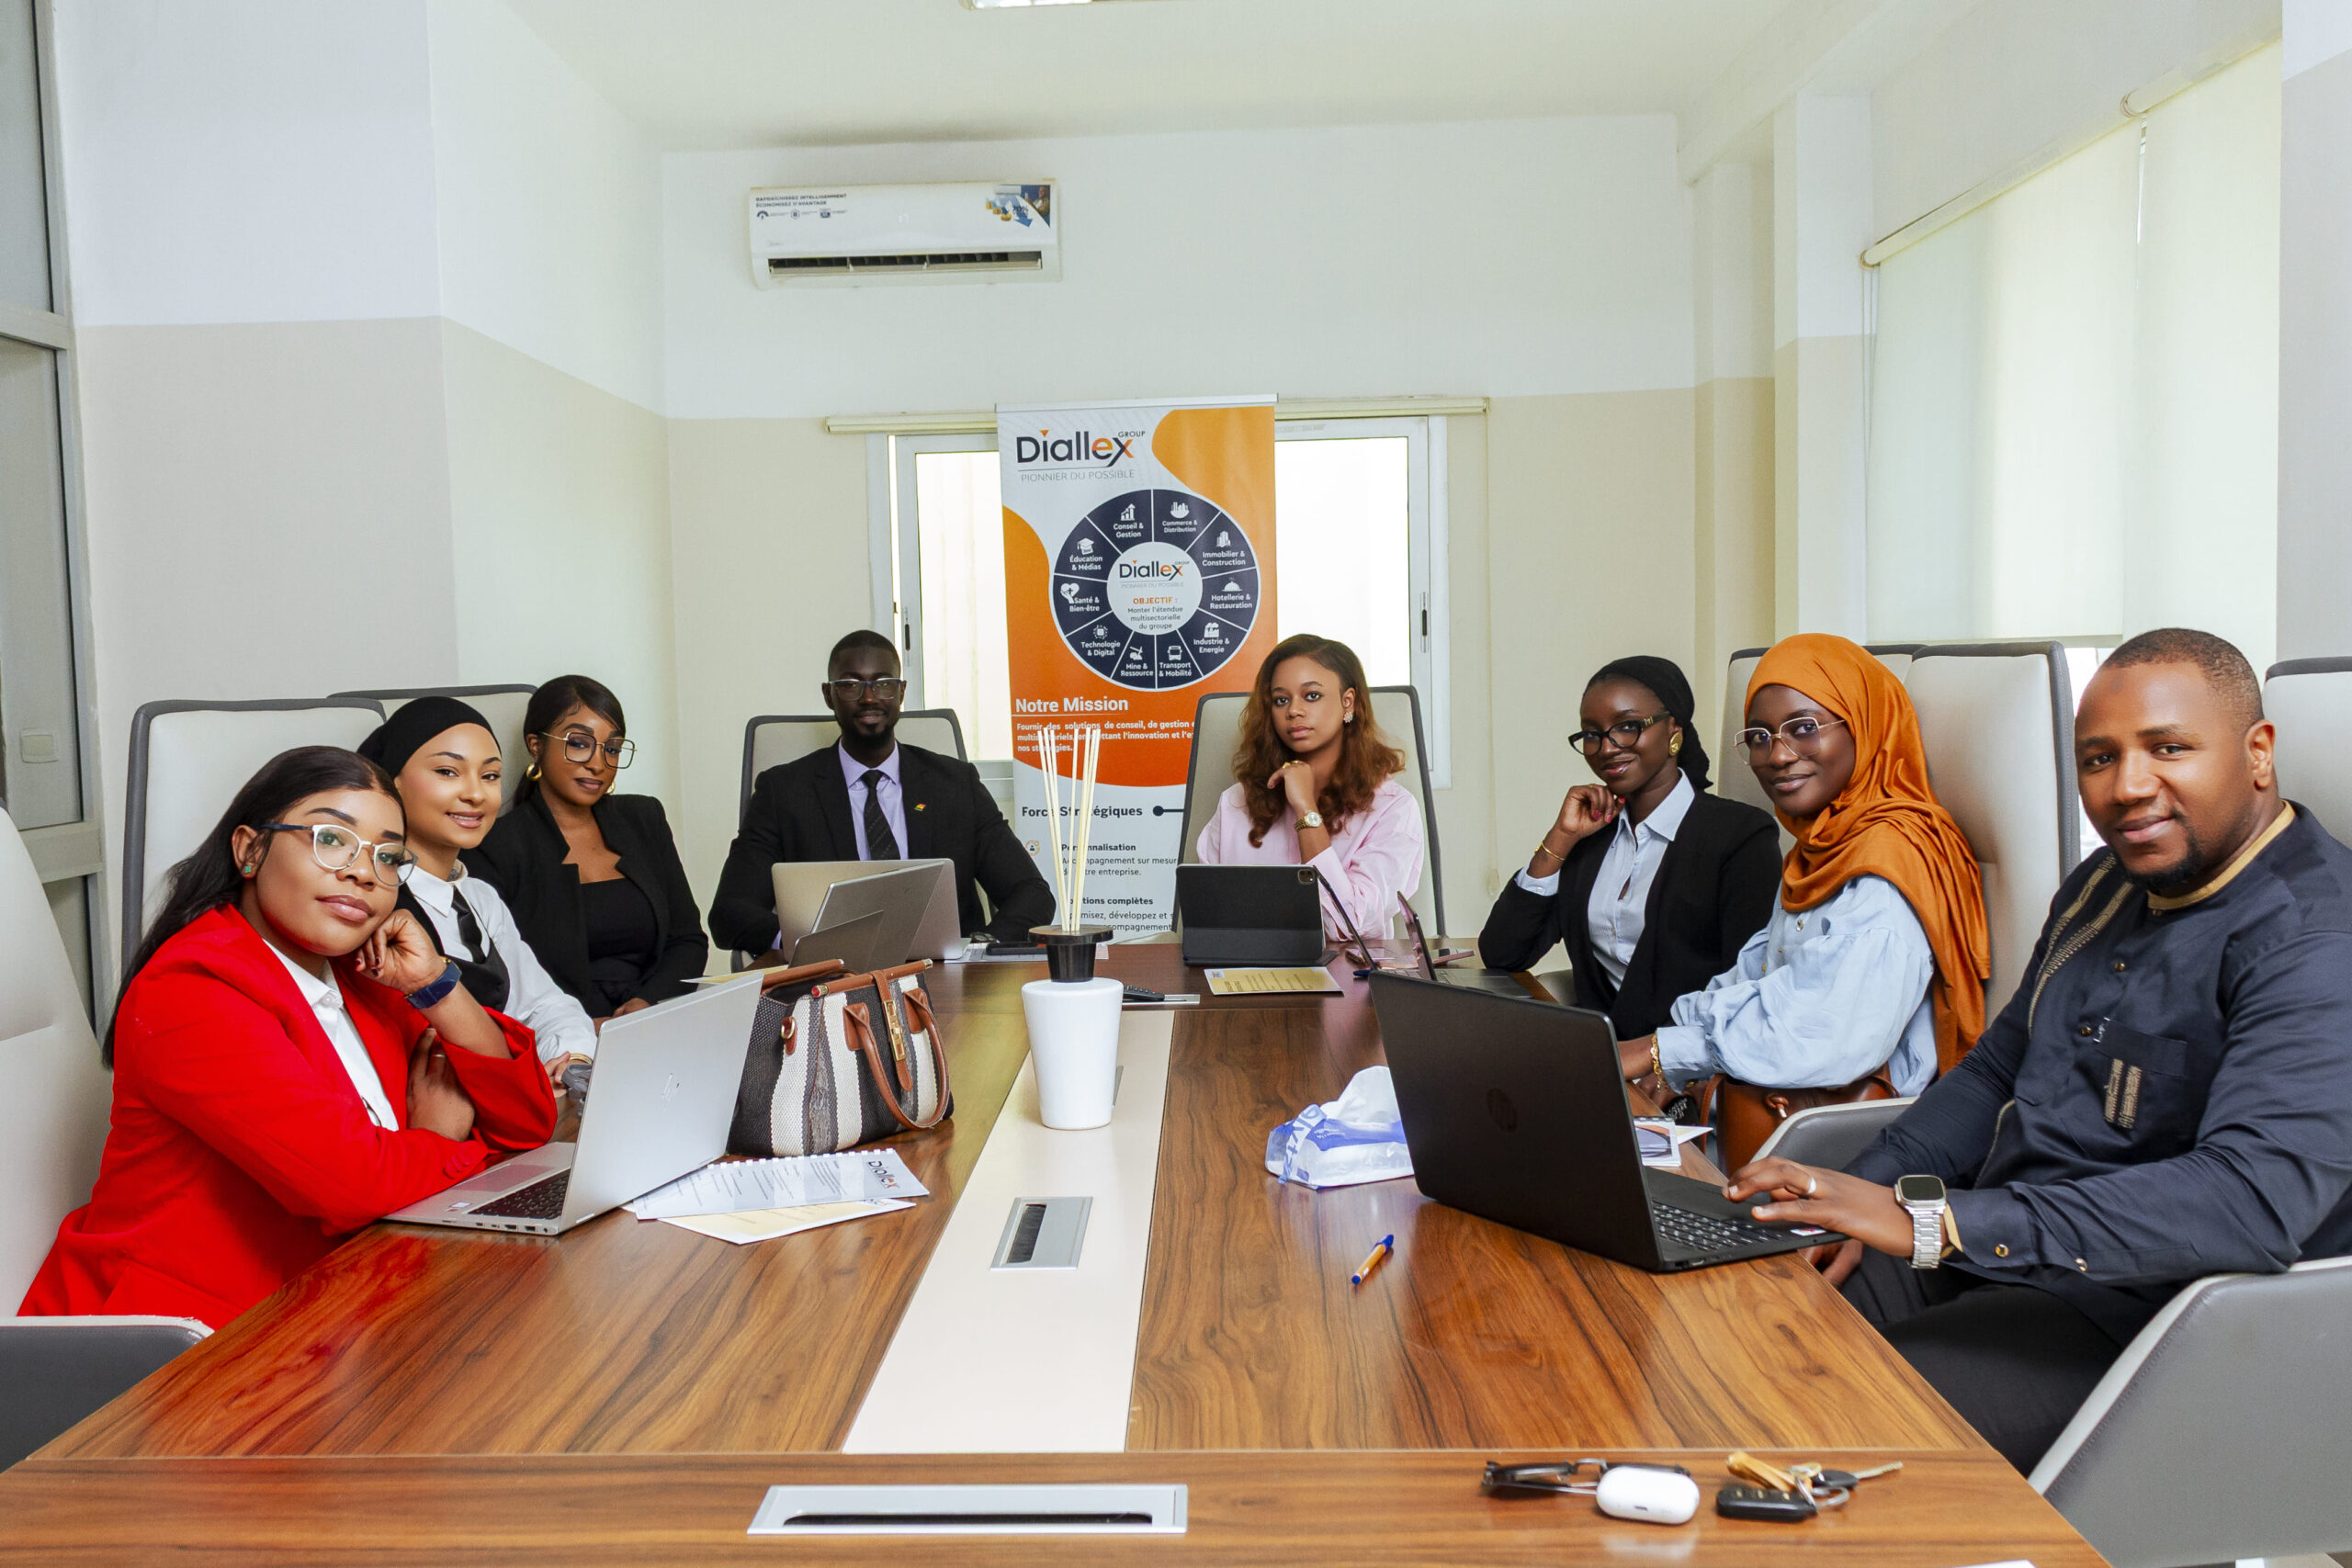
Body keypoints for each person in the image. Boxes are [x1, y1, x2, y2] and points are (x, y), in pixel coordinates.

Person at [1725, 627, 2352, 1472]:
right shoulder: (2106, 884)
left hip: (2150, 1313)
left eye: (2169, 748)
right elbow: (1995, 1070)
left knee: (1829, 1415)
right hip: (2004, 1244)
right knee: (1749, 1323)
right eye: (2099, 758)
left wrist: (1937, 1222)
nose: (2128, 786)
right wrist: (1863, 1192)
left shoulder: (2314, 939)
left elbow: (2248, 1201)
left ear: (2259, 752)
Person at [20, 747, 555, 1329]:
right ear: (250, 850)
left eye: (386, 856)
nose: (362, 872)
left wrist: (436, 985)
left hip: (337, 1301)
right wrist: (437, 1140)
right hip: (182, 1334)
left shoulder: (361, 974)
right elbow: (353, 1185)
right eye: (332, 840)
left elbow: (524, 1125)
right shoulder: (192, 987)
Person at [1615, 634, 1990, 1110]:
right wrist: (1668, 1052)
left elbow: (1820, 1030)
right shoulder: (1823, 847)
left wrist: (1661, 1051)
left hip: (1845, 1133)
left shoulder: (1889, 859)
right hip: (1769, 1104)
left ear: (1863, 726)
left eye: (1805, 728)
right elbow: (1758, 974)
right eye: (1759, 737)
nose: (1777, 756)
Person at [1478, 655, 1779, 1040]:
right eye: (1592, 734)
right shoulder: (1591, 838)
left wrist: (1654, 1059)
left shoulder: (1740, 835)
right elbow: (1504, 953)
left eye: (1627, 727)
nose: (1607, 748)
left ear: (1673, 730)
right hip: (1598, 1056)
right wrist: (1561, 837)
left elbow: (1746, 989)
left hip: (1690, 1063)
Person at [708, 630, 1054, 953]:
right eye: (850, 685)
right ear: (828, 695)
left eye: (883, 684)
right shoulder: (784, 793)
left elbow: (1032, 893)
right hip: (832, 975)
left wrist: (981, 948)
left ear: (901, 693)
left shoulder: (955, 785)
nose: (869, 698)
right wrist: (806, 945)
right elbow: (729, 912)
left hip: (948, 974)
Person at [356, 697, 595, 1088]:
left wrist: (572, 1060)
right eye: (447, 771)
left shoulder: (479, 897)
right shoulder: (369, 899)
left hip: (505, 1094)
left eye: (490, 775)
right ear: (390, 782)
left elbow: (543, 1004)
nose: (476, 794)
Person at [464, 676, 708, 1019]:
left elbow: (688, 941)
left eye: (612, 749)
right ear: (535, 745)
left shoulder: (644, 817)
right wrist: (577, 1028)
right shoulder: (494, 844)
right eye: (579, 743)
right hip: (557, 1032)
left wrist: (646, 1005)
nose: (598, 763)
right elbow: (494, 974)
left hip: (653, 1018)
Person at [1195, 633, 1424, 942]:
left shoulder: (1393, 809)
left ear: (1348, 702)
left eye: (1312, 695)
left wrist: (1305, 809)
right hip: (1246, 970)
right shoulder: (1235, 803)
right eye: (1281, 700)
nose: (1294, 710)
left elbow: (1348, 926)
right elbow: (1208, 924)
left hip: (1345, 971)